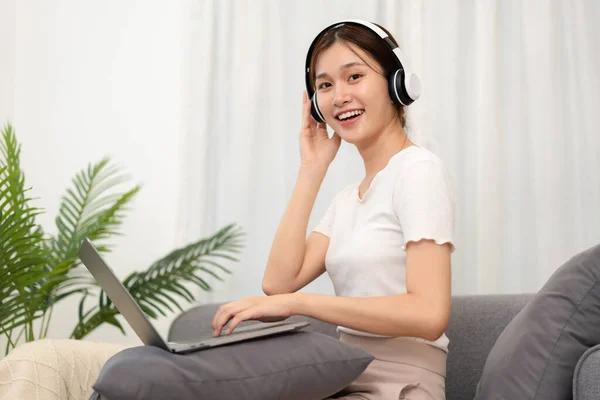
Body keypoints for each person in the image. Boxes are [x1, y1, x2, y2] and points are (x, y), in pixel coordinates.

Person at [211, 20, 455, 399]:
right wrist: (311, 170)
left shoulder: (418, 171)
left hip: (401, 384)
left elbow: (428, 313)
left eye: (354, 76)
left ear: (397, 83)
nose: (339, 96)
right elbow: (278, 283)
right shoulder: (347, 200)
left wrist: (300, 304)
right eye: (325, 85)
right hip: (342, 378)